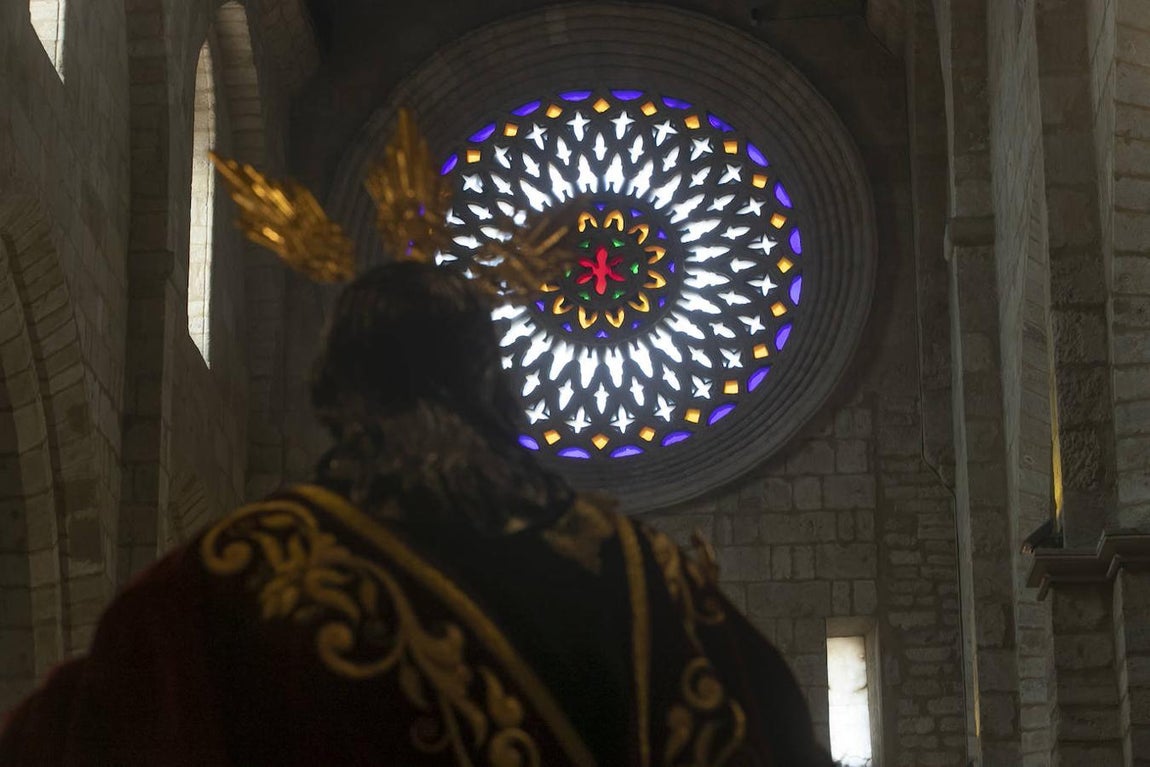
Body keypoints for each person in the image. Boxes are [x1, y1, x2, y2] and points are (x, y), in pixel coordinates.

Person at [0, 259, 831, 766]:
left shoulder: (251, 577)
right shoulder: (663, 586)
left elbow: (86, 735)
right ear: (498, 393)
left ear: (341, 398)